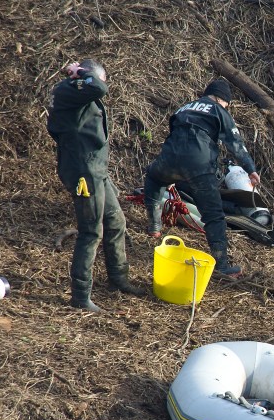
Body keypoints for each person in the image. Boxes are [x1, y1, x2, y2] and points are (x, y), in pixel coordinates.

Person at [47, 58, 145, 312]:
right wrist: (81, 73)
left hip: (96, 170)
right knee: (91, 231)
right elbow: (99, 88)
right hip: (84, 172)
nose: (102, 84)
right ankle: (80, 295)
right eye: (99, 78)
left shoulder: (77, 93)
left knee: (116, 221)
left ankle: (118, 278)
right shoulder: (68, 90)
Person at [143, 78, 259, 278]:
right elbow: (235, 144)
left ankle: (154, 226)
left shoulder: (184, 108)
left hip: (168, 159)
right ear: (221, 99)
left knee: (153, 179)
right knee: (213, 214)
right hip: (199, 164)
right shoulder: (219, 111)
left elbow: (174, 133)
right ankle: (221, 266)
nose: (226, 107)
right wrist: (250, 169)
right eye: (226, 104)